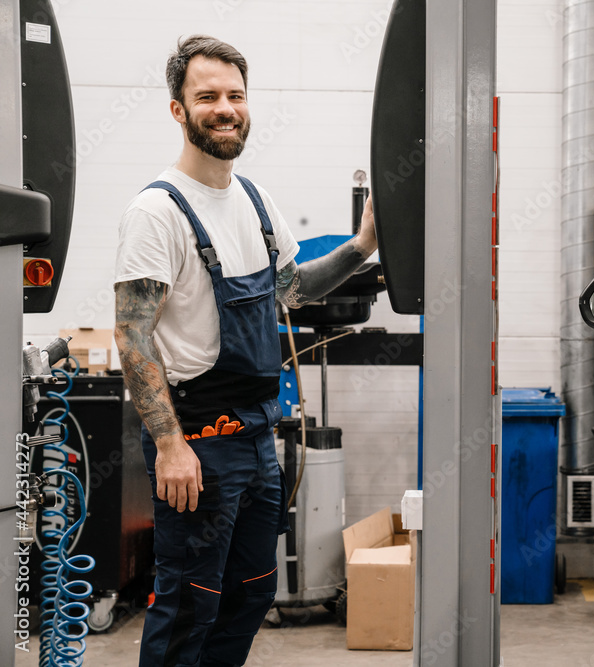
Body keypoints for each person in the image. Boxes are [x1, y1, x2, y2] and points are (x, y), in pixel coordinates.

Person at [113, 35, 377, 666]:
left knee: (250, 595)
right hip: (198, 439)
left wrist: (361, 247)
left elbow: (293, 288)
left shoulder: (255, 201)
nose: (225, 108)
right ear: (179, 109)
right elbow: (132, 334)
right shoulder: (158, 211)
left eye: (235, 95)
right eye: (207, 96)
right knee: (188, 602)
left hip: (259, 433)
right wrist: (171, 444)